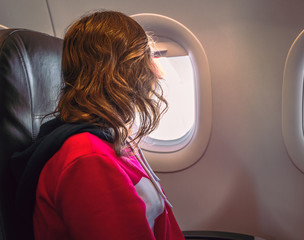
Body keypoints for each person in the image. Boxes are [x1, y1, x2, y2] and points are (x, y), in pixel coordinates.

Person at [11, 10, 185, 240]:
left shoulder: (109, 137)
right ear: (125, 72)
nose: (153, 72)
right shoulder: (89, 159)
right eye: (144, 59)